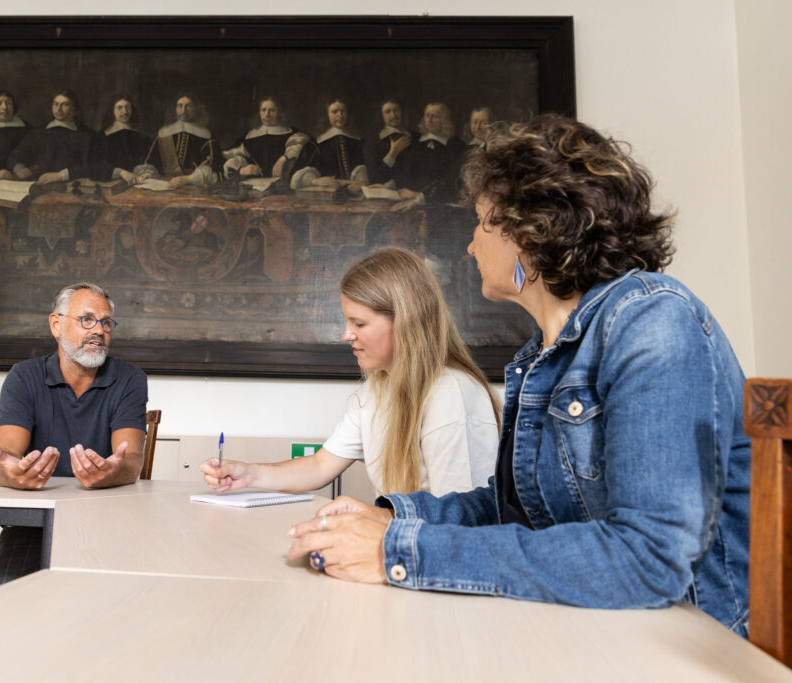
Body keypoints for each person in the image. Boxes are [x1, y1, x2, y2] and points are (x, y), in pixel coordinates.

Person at [287, 114, 751, 637]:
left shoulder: (654, 323)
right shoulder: (541, 355)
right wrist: (394, 519)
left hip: (690, 646)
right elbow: (512, 510)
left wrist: (398, 550)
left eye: (480, 221)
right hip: (593, 629)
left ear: (530, 229)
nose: (470, 245)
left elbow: (649, 559)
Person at [201, 247, 500, 498]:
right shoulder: (372, 394)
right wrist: (246, 474)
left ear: (406, 322)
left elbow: (460, 517)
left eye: (359, 324)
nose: (346, 335)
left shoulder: (451, 393)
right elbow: (320, 466)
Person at [0, 281, 148, 587]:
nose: (98, 330)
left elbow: (131, 460)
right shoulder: (23, 376)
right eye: (86, 319)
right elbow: (1, 459)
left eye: (106, 323)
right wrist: (13, 474)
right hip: (34, 523)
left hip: (107, 519)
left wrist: (111, 473)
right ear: (56, 325)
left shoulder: (130, 379)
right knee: (3, 600)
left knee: (113, 603)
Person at [8, 89, 93, 184]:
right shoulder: (39, 131)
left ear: (75, 110)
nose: (59, 109)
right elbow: (16, 155)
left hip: (69, 185)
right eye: (56, 104)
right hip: (37, 183)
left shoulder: (86, 135)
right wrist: (20, 168)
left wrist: (61, 175)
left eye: (65, 105)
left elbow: (92, 165)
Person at [137, 94, 219, 188]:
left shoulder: (206, 136)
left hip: (194, 186)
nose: (183, 111)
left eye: (188, 106)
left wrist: (189, 179)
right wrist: (148, 174)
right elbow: (151, 162)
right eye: (180, 106)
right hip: (165, 185)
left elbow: (213, 168)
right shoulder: (163, 134)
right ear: (175, 109)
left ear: (195, 109)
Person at [222, 96, 313, 182]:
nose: (267, 115)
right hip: (254, 186)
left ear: (279, 112)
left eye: (272, 110)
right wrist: (241, 171)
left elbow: (306, 158)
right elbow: (227, 161)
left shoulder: (292, 134)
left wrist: (284, 158)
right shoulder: (249, 137)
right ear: (259, 112)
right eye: (263, 110)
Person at [290, 99, 368, 192]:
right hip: (325, 193)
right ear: (327, 115)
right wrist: (316, 181)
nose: (340, 115)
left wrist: (362, 180)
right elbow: (296, 176)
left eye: (343, 111)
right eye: (335, 112)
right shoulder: (316, 144)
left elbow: (369, 169)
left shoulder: (358, 142)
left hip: (355, 192)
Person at [395, 102, 464, 204]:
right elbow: (404, 170)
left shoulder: (455, 145)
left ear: (444, 120)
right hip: (406, 196)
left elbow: (450, 179)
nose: (429, 120)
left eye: (435, 116)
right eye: (427, 115)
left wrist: (421, 195)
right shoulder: (415, 142)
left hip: (434, 201)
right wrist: (390, 185)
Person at [90, 95, 150, 184]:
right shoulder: (100, 137)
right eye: (119, 108)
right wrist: (121, 172)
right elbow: (93, 166)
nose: (125, 112)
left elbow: (148, 160)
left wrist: (147, 172)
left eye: (128, 107)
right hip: (112, 185)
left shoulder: (142, 137)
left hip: (139, 184)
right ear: (112, 111)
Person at [362, 99, 413, 186]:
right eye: (388, 112)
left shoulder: (412, 136)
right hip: (382, 190)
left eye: (396, 110)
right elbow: (374, 177)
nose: (393, 115)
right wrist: (393, 153)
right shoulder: (372, 140)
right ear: (381, 116)